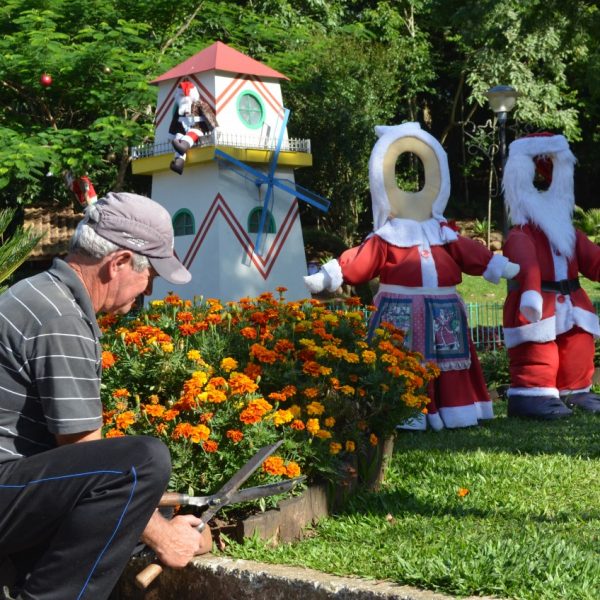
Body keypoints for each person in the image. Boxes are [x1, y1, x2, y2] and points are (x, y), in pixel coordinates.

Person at [0, 192, 212, 600]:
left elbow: (80, 475)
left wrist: (167, 521)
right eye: (151, 273)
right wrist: (165, 536)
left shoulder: (45, 294)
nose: (149, 288)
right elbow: (89, 456)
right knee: (142, 462)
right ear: (117, 263)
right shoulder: (59, 316)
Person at [304, 122, 520, 430]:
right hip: (400, 311)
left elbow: (469, 253)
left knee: (451, 362)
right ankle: (407, 413)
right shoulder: (388, 234)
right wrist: (330, 275)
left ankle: (455, 409)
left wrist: (496, 265)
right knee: (401, 361)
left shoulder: (442, 231)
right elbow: (362, 259)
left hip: (445, 310)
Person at [501, 132, 600, 419]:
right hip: (538, 303)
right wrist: (530, 289)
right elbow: (523, 259)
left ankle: (576, 389)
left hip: (572, 301)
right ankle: (533, 395)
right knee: (538, 350)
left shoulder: (570, 233)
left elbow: (593, 259)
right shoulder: (522, 234)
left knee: (578, 344)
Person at [169, 79, 218, 175]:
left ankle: (183, 146)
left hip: (198, 128)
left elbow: (209, 116)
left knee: (192, 133)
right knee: (178, 136)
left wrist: (215, 127)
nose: (184, 98)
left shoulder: (200, 104)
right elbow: (174, 121)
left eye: (185, 96)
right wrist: (171, 134)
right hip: (183, 130)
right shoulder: (180, 108)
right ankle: (179, 163)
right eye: (182, 96)